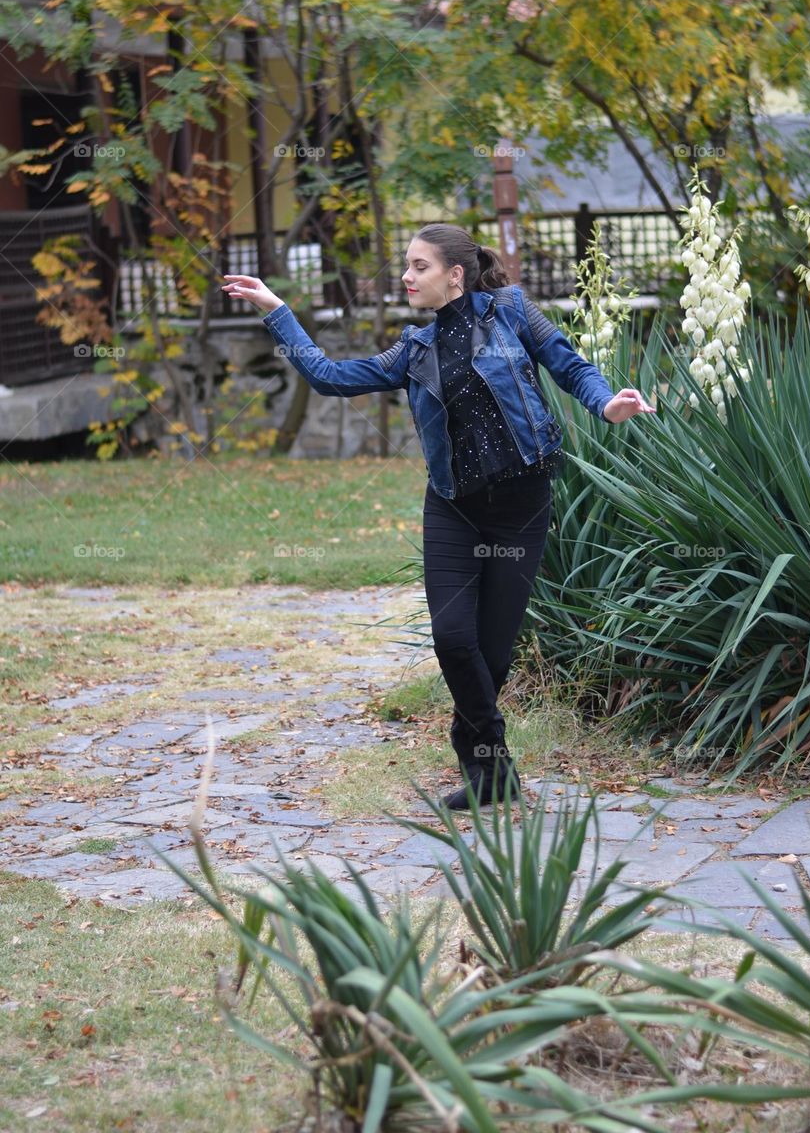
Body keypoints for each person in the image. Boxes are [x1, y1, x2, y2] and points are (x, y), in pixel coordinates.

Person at [222, 223, 655, 812]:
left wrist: (606, 402)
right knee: (454, 640)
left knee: (493, 654)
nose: (405, 276)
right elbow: (329, 377)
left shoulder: (512, 312)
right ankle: (490, 759)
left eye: (418, 266)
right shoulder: (414, 348)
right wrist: (277, 310)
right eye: (406, 265)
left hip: (521, 505)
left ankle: (487, 775)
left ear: (454, 275)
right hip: (454, 507)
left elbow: (569, 365)